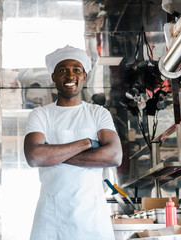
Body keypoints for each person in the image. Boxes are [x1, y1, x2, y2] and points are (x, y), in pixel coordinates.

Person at [23, 45, 122, 240]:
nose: (70, 76)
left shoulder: (98, 113)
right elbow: (34, 157)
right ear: (53, 77)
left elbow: (114, 156)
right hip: (51, 217)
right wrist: (86, 143)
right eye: (63, 70)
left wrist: (51, 155)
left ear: (84, 75)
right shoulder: (41, 115)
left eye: (76, 70)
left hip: (92, 217)